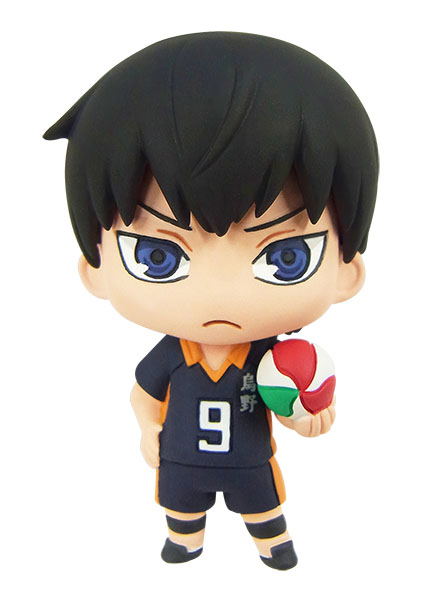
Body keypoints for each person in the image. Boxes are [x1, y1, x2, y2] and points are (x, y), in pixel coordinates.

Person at [44, 31, 378, 570]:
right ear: (95, 269)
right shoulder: (173, 355)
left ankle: (272, 544)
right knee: (180, 509)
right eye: (157, 256)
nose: (220, 291)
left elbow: (287, 402)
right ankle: (185, 542)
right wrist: (148, 429)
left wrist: (303, 417)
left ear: (347, 271)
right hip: (181, 460)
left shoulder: (273, 361)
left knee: (263, 507)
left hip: (249, 461)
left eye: (286, 257)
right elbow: (142, 395)